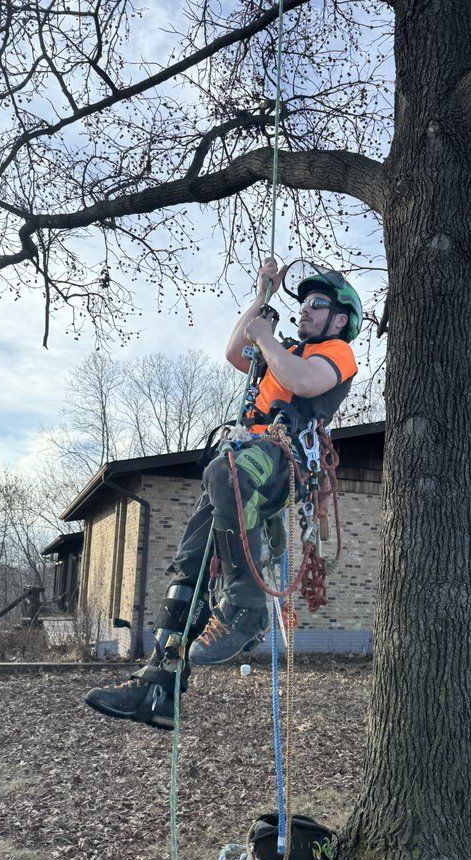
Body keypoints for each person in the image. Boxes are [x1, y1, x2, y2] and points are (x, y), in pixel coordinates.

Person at [85, 259, 361, 729]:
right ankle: (160, 685)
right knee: (189, 564)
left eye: (316, 304)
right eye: (304, 304)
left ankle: (246, 606)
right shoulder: (283, 350)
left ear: (339, 319)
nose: (305, 311)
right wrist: (262, 298)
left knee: (225, 470)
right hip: (240, 459)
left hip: (278, 457)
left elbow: (303, 382)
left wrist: (268, 338)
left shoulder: (333, 353)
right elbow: (236, 351)